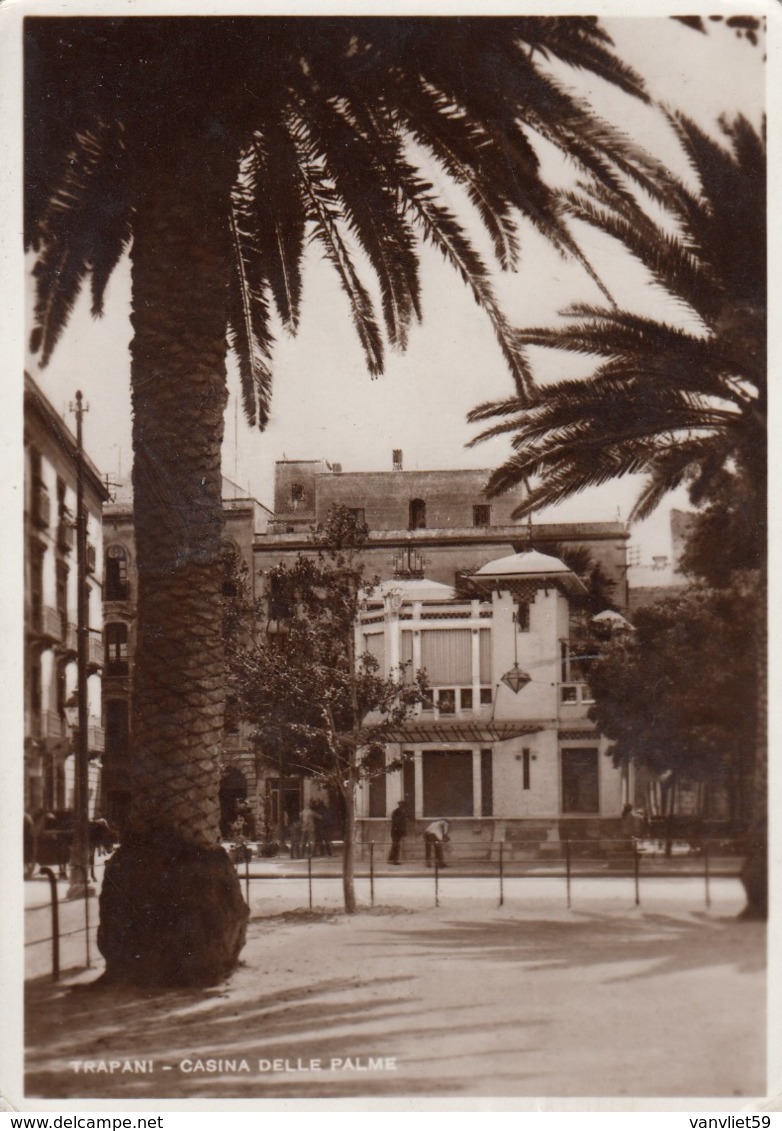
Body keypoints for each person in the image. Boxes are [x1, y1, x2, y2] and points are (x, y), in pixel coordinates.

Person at [388, 800, 407, 864]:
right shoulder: (397, 812)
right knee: (396, 846)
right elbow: (397, 823)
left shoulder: (400, 812)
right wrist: (402, 830)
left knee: (395, 845)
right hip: (396, 831)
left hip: (396, 831)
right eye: (402, 805)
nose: (403, 807)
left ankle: (391, 859)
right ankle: (394, 860)